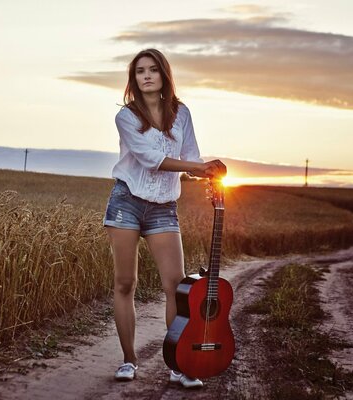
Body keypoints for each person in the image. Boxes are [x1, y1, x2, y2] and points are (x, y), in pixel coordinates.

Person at [103, 48, 226, 388]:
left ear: (163, 76)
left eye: (153, 70)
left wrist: (208, 172)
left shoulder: (181, 113)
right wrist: (196, 168)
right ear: (134, 78)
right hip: (126, 202)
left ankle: (179, 364)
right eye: (140, 70)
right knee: (125, 283)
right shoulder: (126, 117)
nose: (146, 76)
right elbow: (149, 158)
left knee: (177, 287)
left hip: (163, 208)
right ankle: (129, 361)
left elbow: (191, 157)